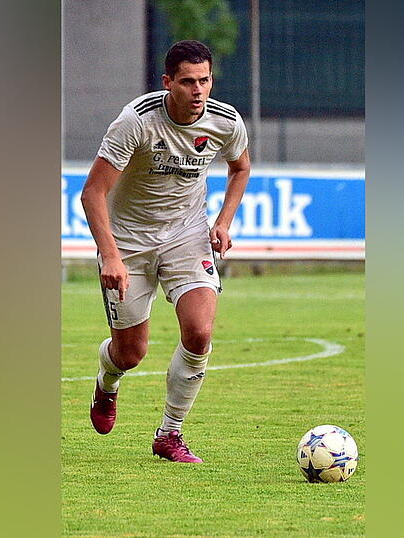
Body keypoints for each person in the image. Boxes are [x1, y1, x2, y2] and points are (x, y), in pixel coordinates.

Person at [80, 40, 250, 463]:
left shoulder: (226, 122)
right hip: (130, 242)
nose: (198, 91)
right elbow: (92, 193)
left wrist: (223, 221)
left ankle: (169, 434)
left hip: (187, 235)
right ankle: (108, 379)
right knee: (131, 353)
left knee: (199, 332)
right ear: (168, 82)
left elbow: (241, 166)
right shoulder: (135, 123)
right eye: (188, 82)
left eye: (205, 80)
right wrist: (111, 255)